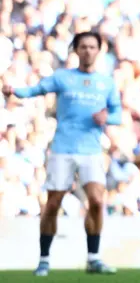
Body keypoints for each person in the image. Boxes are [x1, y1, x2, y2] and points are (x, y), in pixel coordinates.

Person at [2, 32, 122, 276]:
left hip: (91, 151)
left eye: (92, 46)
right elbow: (35, 90)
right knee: (53, 203)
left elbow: (118, 114)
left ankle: (94, 258)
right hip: (63, 149)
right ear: (76, 51)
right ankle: (44, 259)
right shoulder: (63, 77)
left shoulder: (106, 83)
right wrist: (14, 90)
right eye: (83, 47)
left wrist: (106, 118)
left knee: (97, 202)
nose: (88, 50)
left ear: (98, 51)